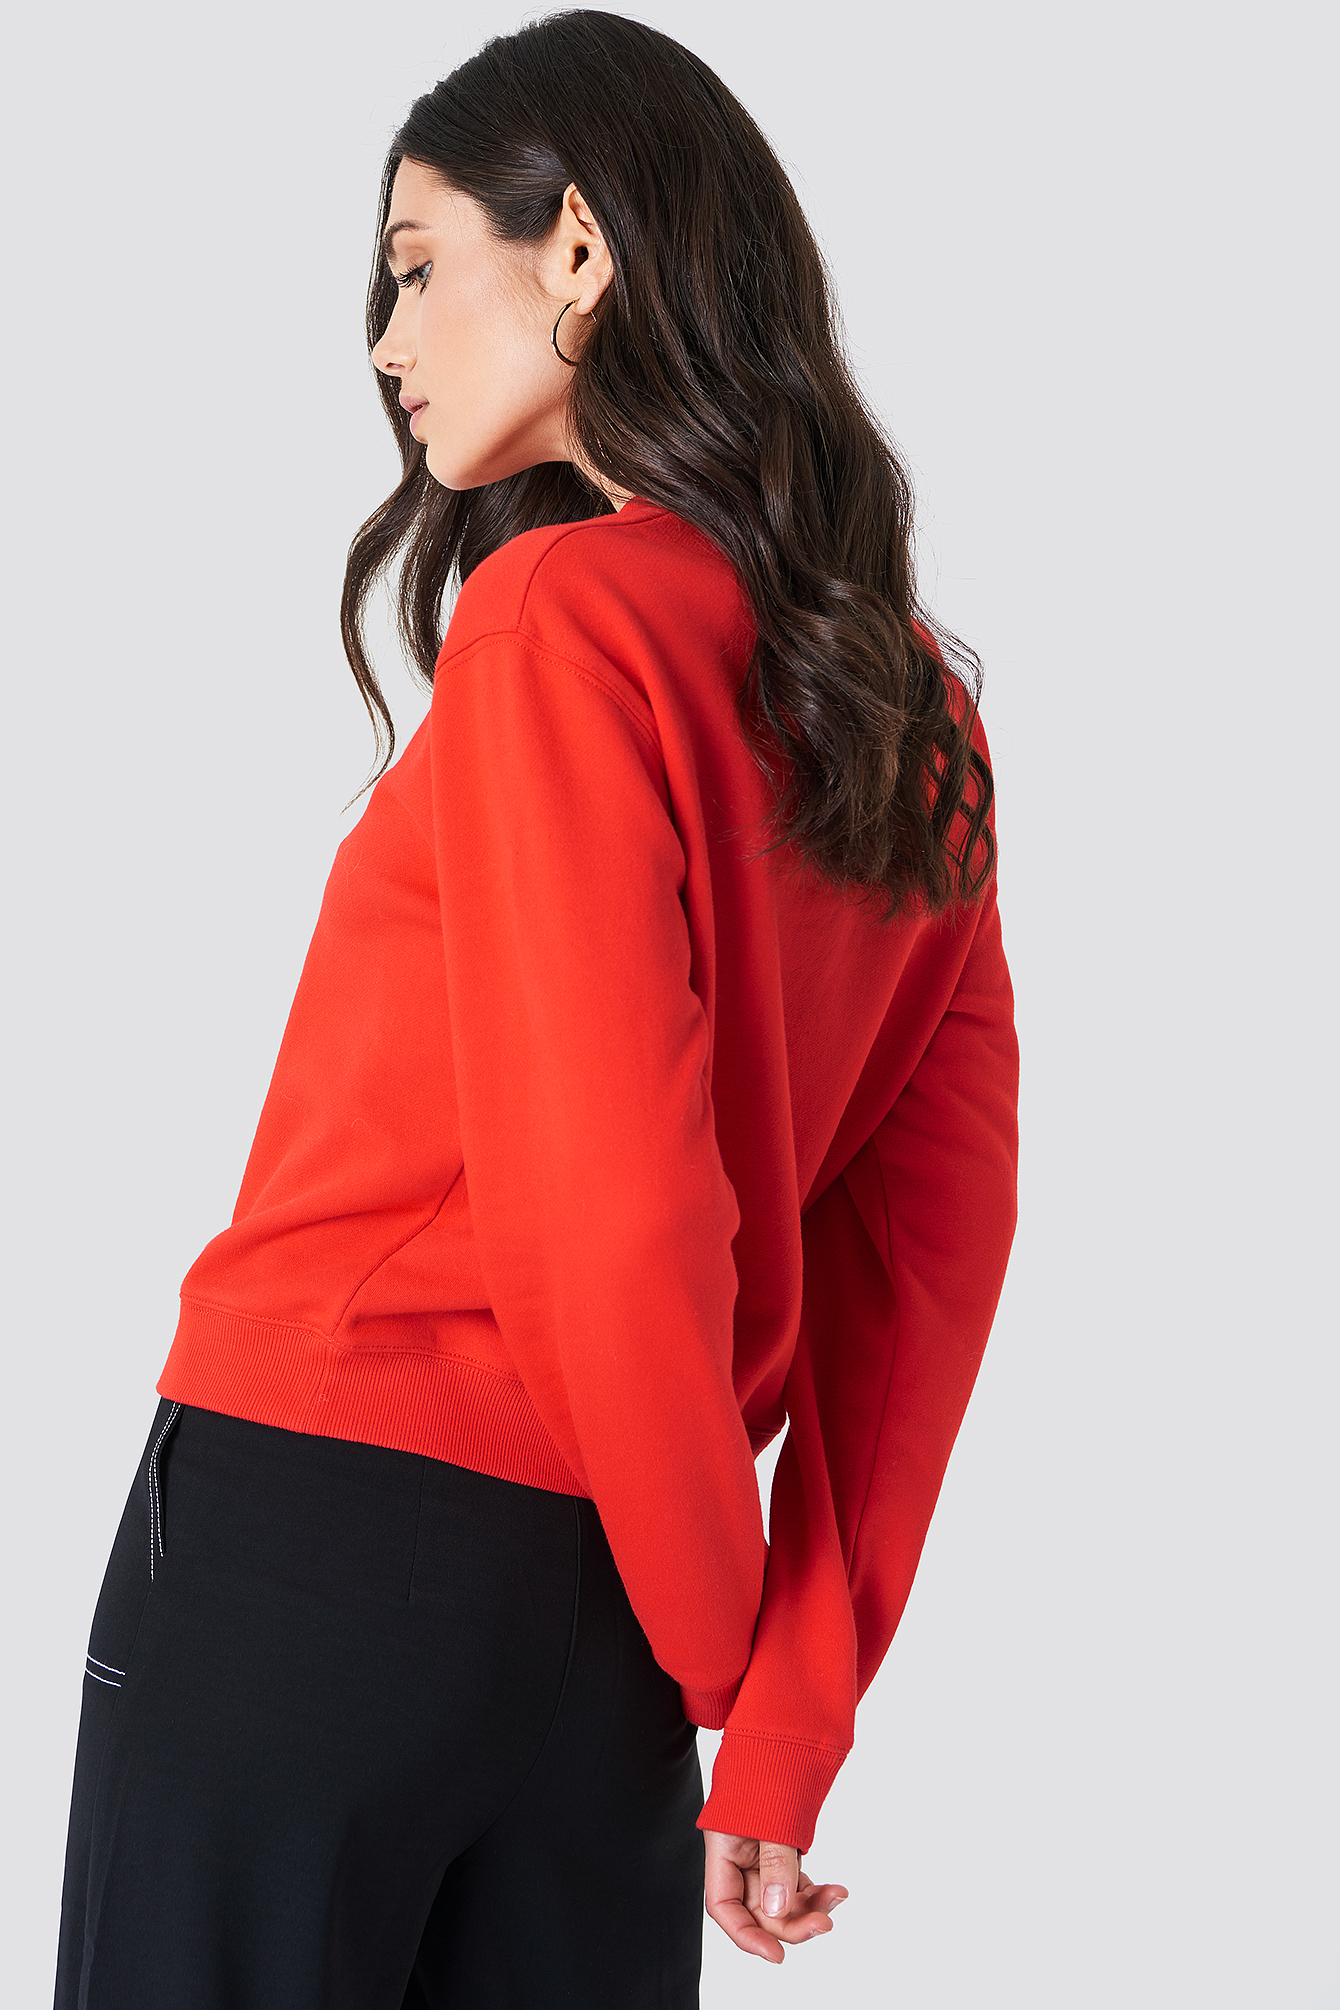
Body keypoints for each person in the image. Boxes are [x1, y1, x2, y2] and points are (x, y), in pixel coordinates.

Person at [52, 10, 1020, 2006]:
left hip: (328, 1529)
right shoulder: (917, 717)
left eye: (417, 269)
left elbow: (608, 1199)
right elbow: (925, 1258)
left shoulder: (560, 615)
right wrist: (767, 1702)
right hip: (617, 1619)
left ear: (578, 246)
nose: (386, 341)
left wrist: (715, 1639)